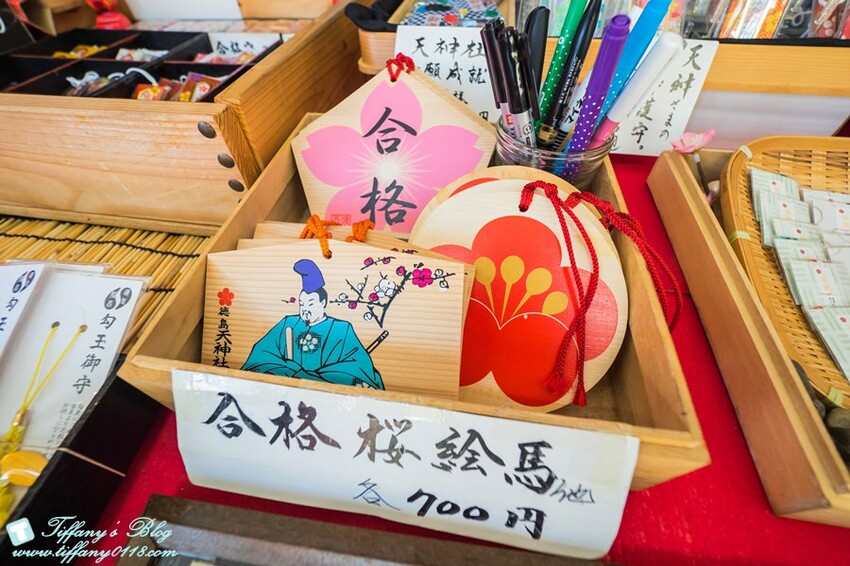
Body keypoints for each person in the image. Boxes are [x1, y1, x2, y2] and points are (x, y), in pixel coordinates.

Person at [242, 259, 384, 390]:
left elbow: (357, 365)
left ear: (323, 303)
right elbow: (262, 354)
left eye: (310, 304)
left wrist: (301, 374)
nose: (305, 310)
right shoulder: (288, 323)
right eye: (302, 304)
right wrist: (288, 368)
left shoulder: (341, 329)